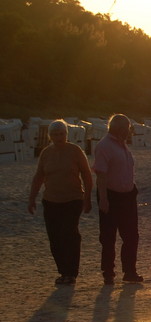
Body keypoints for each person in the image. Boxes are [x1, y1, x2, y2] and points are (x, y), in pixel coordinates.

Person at [28, 119, 93, 285]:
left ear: (66, 134)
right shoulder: (46, 153)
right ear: (50, 136)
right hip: (51, 200)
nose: (59, 137)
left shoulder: (75, 151)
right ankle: (63, 272)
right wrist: (32, 198)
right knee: (55, 238)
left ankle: (71, 273)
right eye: (55, 134)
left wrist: (88, 198)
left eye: (62, 134)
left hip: (73, 199)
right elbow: (39, 176)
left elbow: (86, 175)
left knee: (69, 234)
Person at [92, 114, 142, 285]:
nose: (129, 131)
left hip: (127, 196)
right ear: (120, 129)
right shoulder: (104, 146)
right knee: (108, 237)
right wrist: (104, 199)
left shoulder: (123, 145)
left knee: (131, 236)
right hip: (111, 196)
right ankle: (108, 272)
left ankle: (130, 271)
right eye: (128, 128)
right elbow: (101, 175)